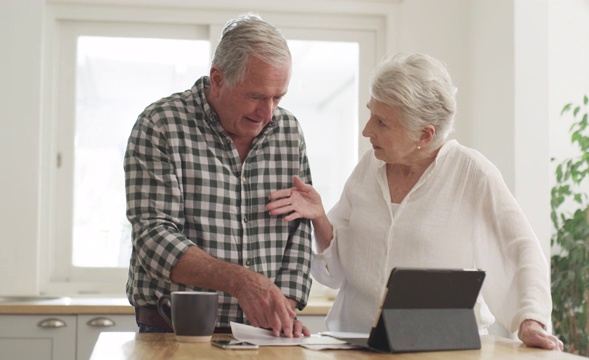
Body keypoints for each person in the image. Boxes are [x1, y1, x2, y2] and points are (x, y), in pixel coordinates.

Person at [267, 53, 564, 350]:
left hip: (442, 351)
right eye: (371, 113)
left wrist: (531, 318)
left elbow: (521, 247)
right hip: (357, 347)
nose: (367, 130)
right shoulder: (369, 167)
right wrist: (320, 216)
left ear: (424, 134)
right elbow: (340, 265)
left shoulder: (473, 174)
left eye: (382, 122)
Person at [124, 13, 313, 338]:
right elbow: (153, 237)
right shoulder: (161, 125)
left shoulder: (288, 131)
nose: (268, 114)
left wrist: (282, 305)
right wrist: (240, 281)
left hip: (263, 334)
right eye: (256, 96)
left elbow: (299, 226)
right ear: (218, 79)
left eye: (278, 97)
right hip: (175, 330)